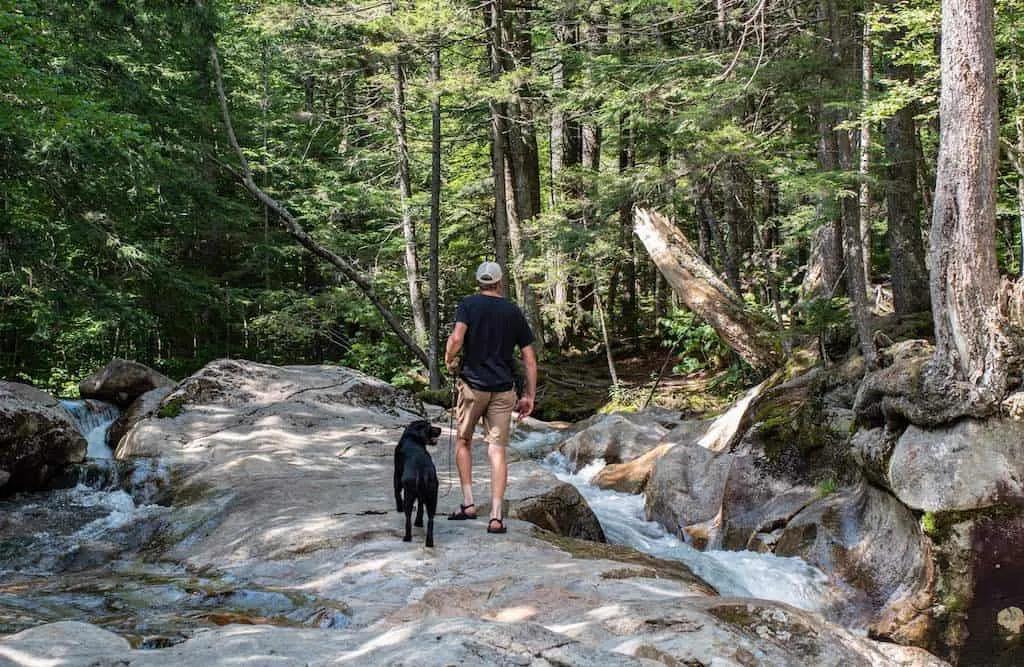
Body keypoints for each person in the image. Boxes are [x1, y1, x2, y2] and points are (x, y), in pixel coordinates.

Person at [444, 260, 537, 534]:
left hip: (472, 387)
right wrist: (529, 395)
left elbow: (457, 338)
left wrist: (449, 358)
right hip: (503, 389)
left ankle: (469, 503)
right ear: (499, 282)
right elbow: (529, 359)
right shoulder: (512, 311)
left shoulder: (468, 305)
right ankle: (496, 516)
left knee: (463, 440)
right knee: (497, 451)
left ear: (479, 282)